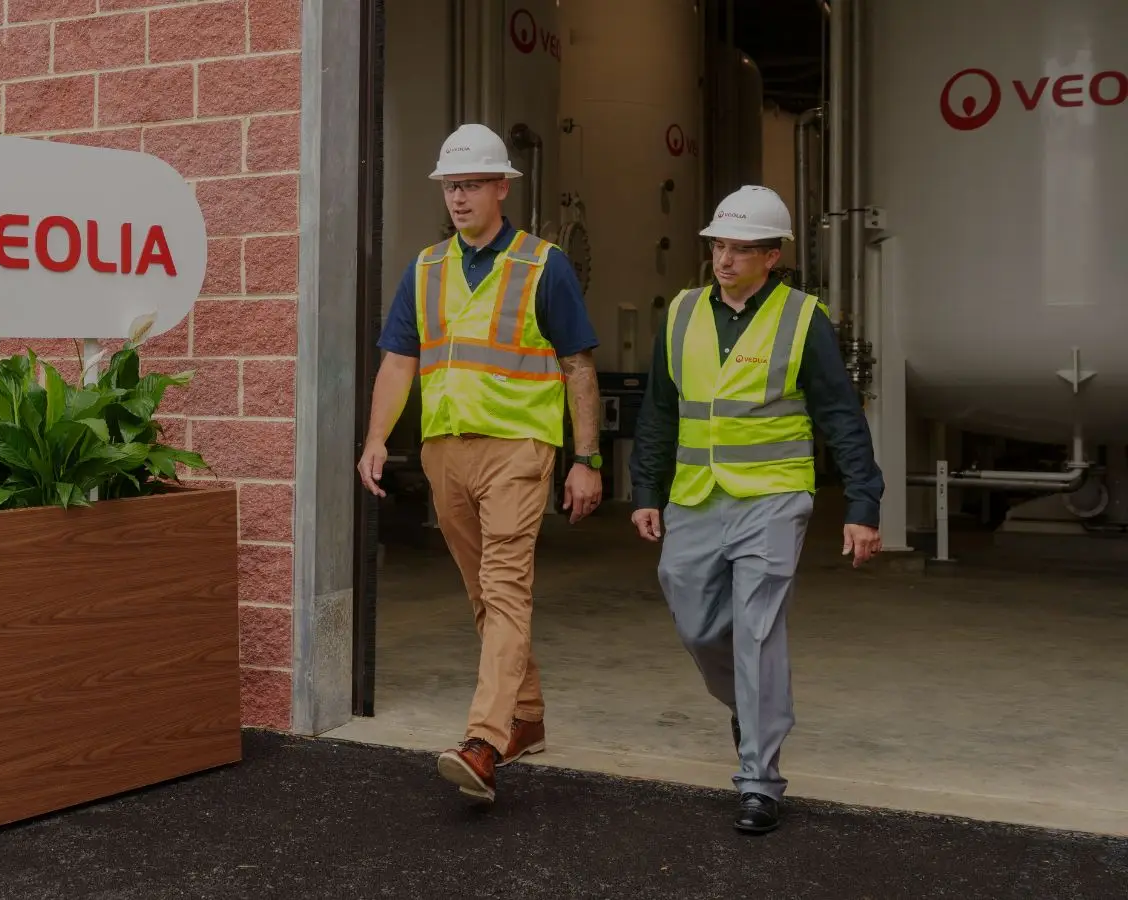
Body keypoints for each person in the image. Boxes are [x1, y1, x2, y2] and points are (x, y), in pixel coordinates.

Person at [356, 123, 604, 804]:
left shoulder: (543, 265)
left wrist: (586, 457)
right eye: (450, 186)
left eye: (470, 185)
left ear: (502, 188)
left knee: (505, 588)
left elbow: (578, 365)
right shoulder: (426, 268)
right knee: (483, 595)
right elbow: (399, 360)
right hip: (444, 450)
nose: (459, 197)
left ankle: (484, 740)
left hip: (519, 448)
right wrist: (377, 438)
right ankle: (527, 717)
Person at [628, 185, 885, 834]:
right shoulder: (682, 313)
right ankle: (750, 706)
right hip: (695, 497)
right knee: (696, 625)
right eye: (719, 246)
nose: (724, 260)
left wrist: (863, 503)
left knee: (760, 631)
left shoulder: (803, 320)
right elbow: (658, 409)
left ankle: (759, 781)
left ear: (773, 257)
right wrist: (645, 490)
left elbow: (840, 415)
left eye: (740, 250)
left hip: (773, 497)